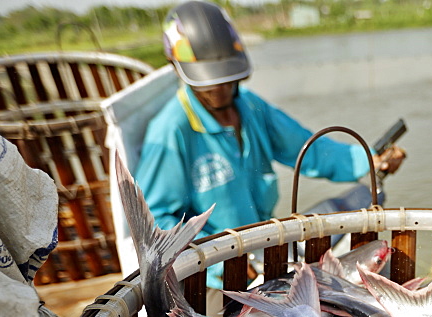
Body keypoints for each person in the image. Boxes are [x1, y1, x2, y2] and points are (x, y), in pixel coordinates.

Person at [134, 1, 404, 286]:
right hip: (210, 274)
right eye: (208, 83)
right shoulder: (169, 131)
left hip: (263, 244)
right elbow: (155, 221)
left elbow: (308, 150)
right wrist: (215, 258)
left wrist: (369, 158)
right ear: (176, 68)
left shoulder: (249, 106)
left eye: (227, 79)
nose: (221, 90)